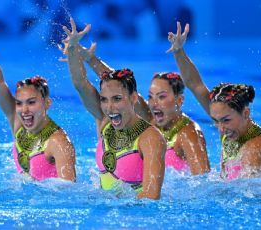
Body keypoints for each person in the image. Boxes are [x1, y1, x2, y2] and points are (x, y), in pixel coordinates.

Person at [59, 24, 210, 175]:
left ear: (179, 100)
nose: (154, 103)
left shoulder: (188, 133)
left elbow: (202, 182)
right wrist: (89, 58)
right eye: (151, 97)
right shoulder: (148, 120)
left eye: (162, 97)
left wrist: (179, 51)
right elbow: (118, 84)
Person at [0, 11, 76, 182]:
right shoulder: (18, 121)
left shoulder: (58, 143)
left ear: (47, 103)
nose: (24, 110)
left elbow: (70, 193)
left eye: (31, 102)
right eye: (20, 103)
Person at [63, 18, 165, 199]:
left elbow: (151, 195)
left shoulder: (150, 138)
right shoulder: (104, 121)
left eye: (117, 99)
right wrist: (72, 48)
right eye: (104, 99)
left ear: (133, 98)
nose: (109, 107)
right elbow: (80, 83)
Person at [167, 22, 261, 180]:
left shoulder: (255, 148)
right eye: (216, 121)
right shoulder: (233, 127)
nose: (221, 129)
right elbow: (194, 84)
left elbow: (246, 199)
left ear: (246, 113)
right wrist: (178, 51)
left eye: (225, 121)